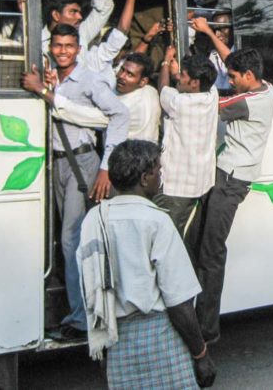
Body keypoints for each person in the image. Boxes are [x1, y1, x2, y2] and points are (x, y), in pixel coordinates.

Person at [76, 140, 216, 389]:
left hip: (114, 340)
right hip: (159, 338)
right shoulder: (156, 221)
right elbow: (180, 303)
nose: (161, 176)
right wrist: (201, 354)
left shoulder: (93, 220)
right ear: (144, 178)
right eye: (158, 171)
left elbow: (90, 286)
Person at [21, 24, 130, 341]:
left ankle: (82, 320)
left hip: (83, 164)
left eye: (69, 45)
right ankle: (79, 313)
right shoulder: (53, 74)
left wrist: (107, 167)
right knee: (66, 242)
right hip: (58, 164)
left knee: (73, 242)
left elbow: (119, 115)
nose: (63, 50)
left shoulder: (89, 79)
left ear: (78, 49)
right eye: (58, 45)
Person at [186, 49, 273, 343]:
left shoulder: (246, 103)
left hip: (229, 181)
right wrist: (214, 39)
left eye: (234, 77)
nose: (230, 80)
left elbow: (208, 106)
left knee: (211, 253)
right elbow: (235, 63)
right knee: (197, 244)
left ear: (249, 76)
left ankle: (206, 329)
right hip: (226, 175)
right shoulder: (269, 90)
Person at [153, 49, 219, 241]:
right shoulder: (212, 95)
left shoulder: (178, 102)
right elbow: (185, 84)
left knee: (165, 241)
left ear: (195, 83)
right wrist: (178, 72)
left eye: (182, 76)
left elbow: (163, 87)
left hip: (175, 188)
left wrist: (165, 62)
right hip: (201, 183)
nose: (179, 78)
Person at [50, 52, 161, 143]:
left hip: (128, 163)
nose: (121, 76)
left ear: (143, 81)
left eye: (130, 74)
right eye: (122, 70)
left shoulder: (128, 107)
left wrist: (48, 95)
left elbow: (85, 116)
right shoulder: (151, 91)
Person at [41, 0, 114, 55]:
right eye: (73, 12)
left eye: (79, 12)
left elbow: (105, 5)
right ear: (56, 15)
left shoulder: (81, 33)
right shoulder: (36, 41)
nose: (80, 17)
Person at [191, 13, 234, 91]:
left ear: (233, 29)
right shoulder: (213, 54)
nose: (217, 34)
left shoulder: (241, 49)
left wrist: (208, 31)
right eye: (214, 30)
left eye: (222, 29)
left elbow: (232, 60)